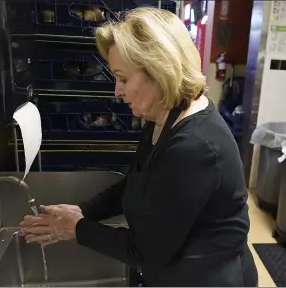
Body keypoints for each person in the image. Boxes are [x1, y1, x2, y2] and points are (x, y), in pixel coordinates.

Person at [19, 7, 258, 287]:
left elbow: (149, 250)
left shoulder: (194, 147)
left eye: (123, 78)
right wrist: (83, 212)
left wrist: (76, 228)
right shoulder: (164, 113)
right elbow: (138, 181)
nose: (116, 91)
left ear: (159, 72)